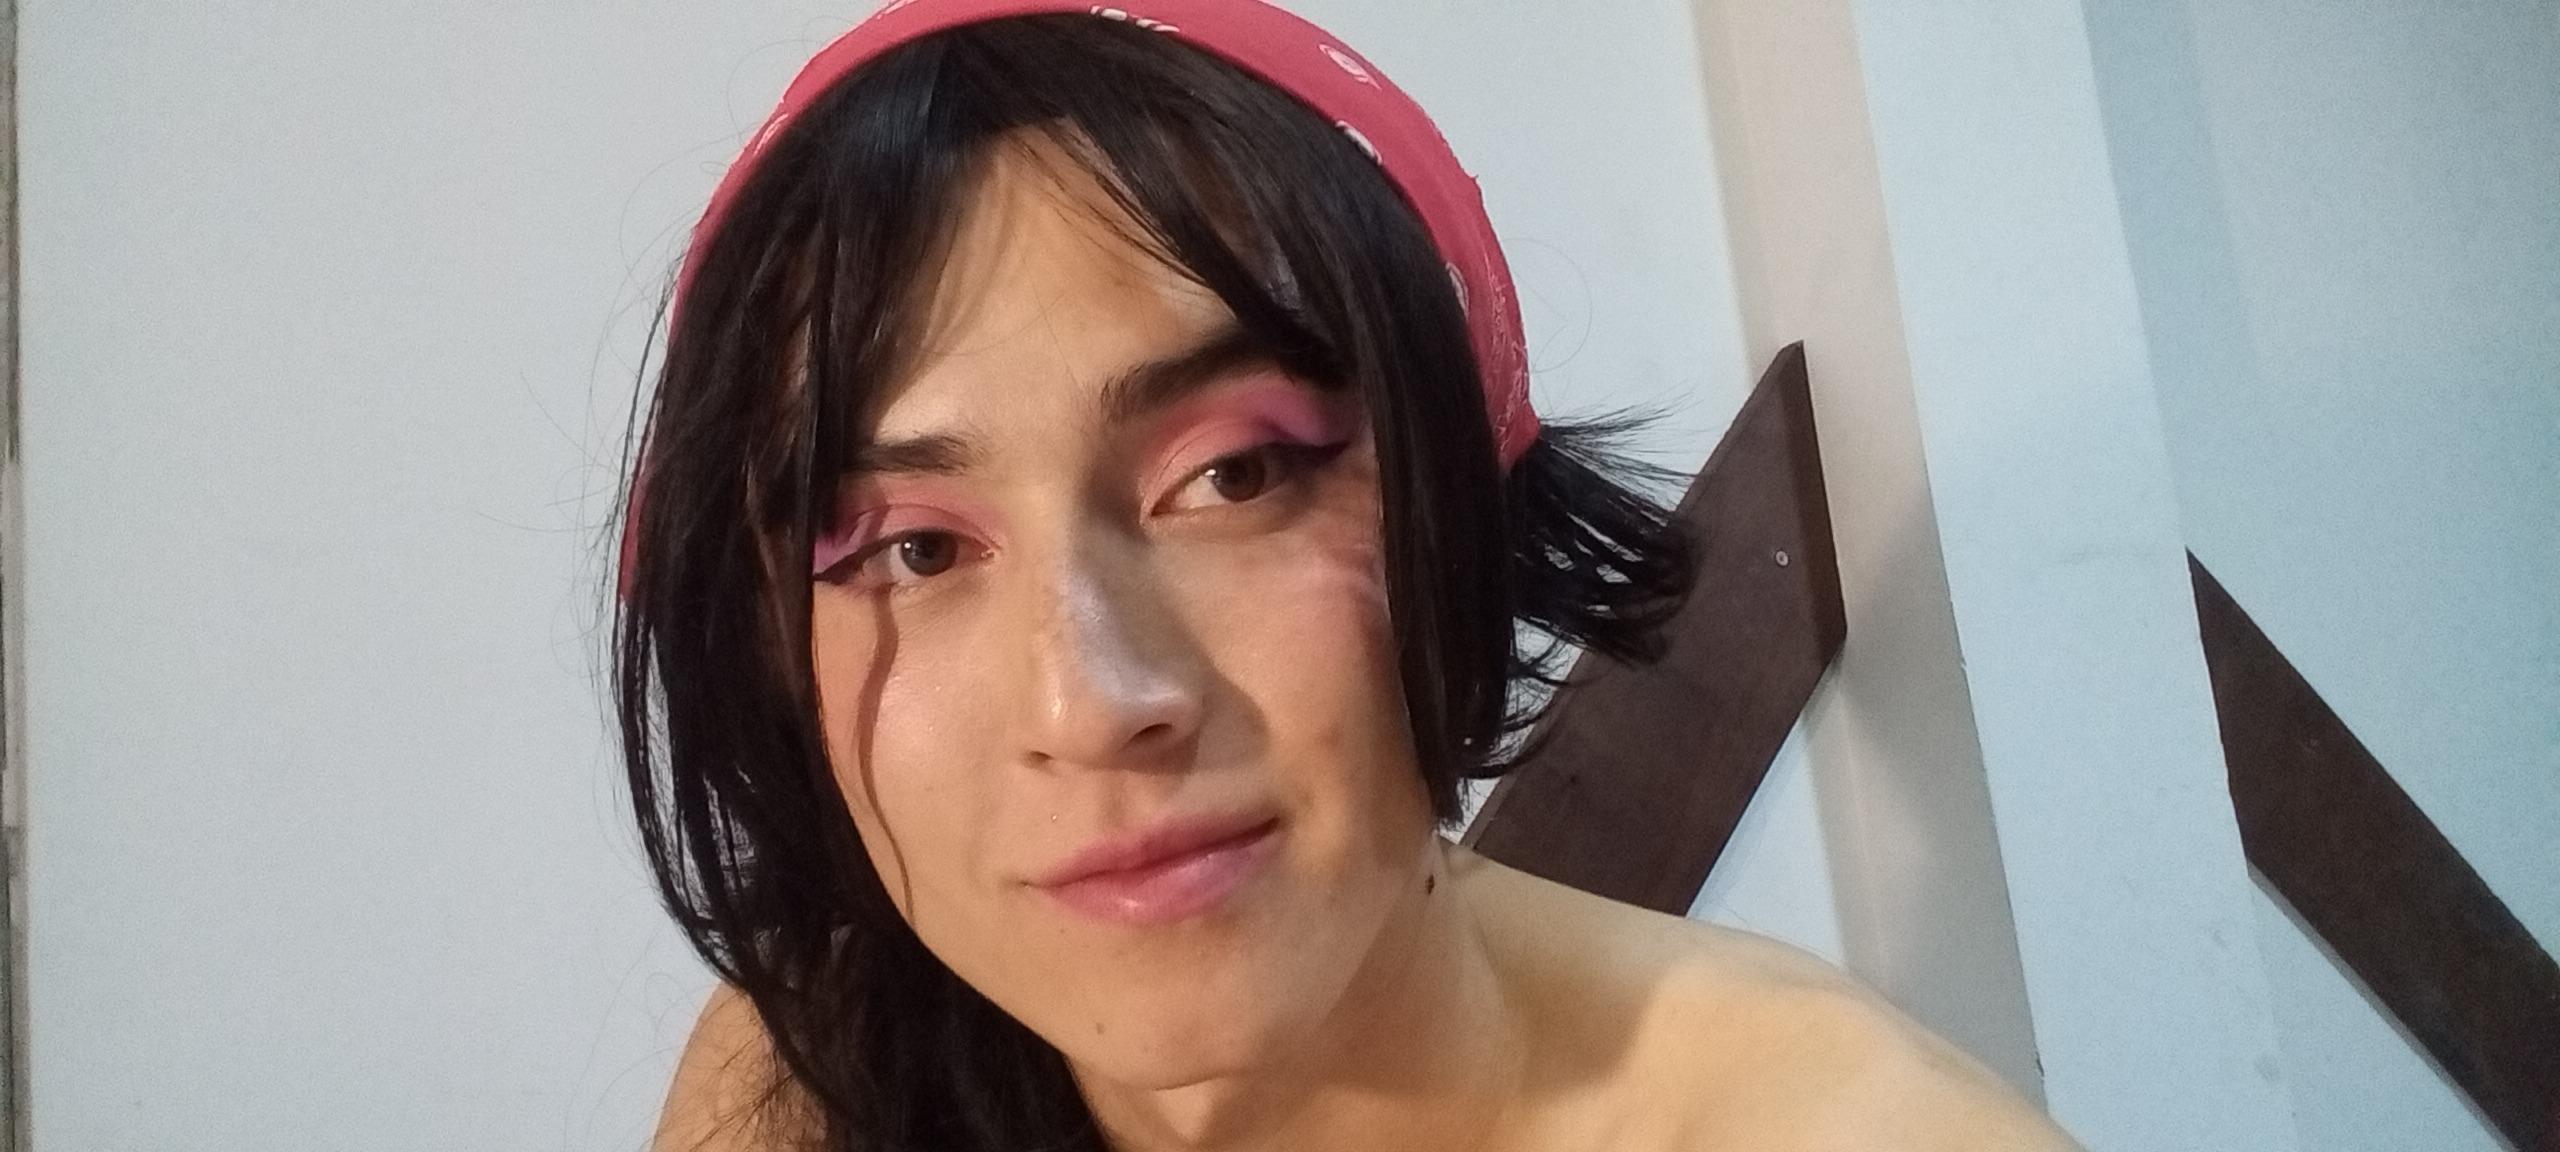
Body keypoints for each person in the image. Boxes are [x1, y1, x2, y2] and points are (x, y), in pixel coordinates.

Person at [616, 2, 2080, 1149]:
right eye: (914, 549)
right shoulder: (811, 1064)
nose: (1093, 699)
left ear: (1460, 501)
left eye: (1235, 476)